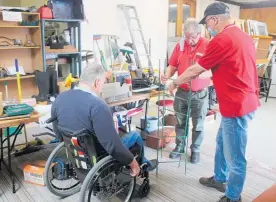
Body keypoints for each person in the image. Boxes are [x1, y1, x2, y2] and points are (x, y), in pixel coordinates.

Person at [167, 2, 260, 202]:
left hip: (237, 105)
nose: (207, 27)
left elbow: (195, 70)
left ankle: (233, 197)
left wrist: (174, 82)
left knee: (235, 155)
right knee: (221, 142)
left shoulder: (221, 39)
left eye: (207, 22)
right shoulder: (243, 36)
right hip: (238, 100)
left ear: (214, 19)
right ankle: (219, 178)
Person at [51, 63, 157, 177]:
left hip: (75, 150)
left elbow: (57, 131)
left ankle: (145, 161)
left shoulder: (60, 98)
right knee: (135, 136)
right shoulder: (98, 105)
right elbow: (112, 145)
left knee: (116, 136)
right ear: (97, 82)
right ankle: (141, 165)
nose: (103, 86)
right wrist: (132, 162)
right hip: (99, 154)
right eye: (103, 82)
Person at [162, 18, 210, 163]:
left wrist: (201, 74)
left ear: (199, 33)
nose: (189, 40)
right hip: (182, 92)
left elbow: (214, 69)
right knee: (181, 122)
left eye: (192, 37)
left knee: (198, 125)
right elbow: (173, 65)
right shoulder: (180, 45)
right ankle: (180, 146)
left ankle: (195, 149)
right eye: (186, 37)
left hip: (199, 93)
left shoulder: (208, 45)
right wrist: (167, 75)